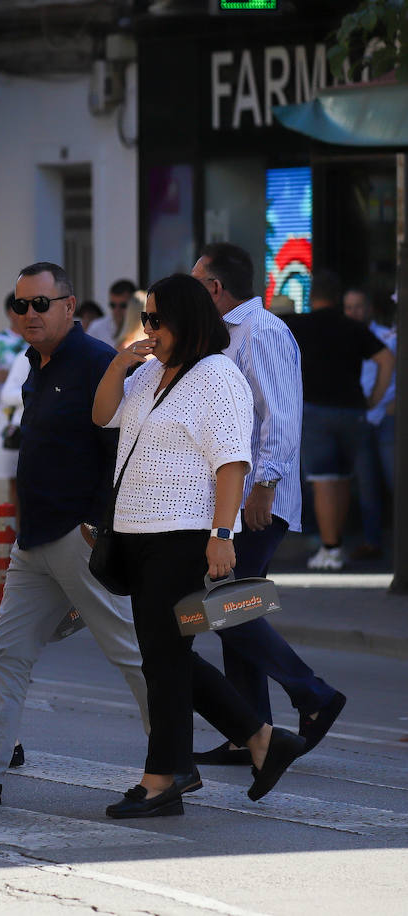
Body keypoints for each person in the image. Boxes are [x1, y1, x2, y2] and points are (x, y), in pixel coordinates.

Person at [91, 274, 304, 818]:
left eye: (158, 319)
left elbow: (232, 462)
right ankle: (260, 737)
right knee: (166, 658)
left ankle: (162, 778)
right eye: (146, 319)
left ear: (189, 319)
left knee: (163, 663)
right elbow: (102, 416)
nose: (151, 329)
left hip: (182, 536)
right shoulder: (149, 375)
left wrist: (222, 534)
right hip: (136, 534)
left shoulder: (218, 376)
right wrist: (120, 362)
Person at [0, 263, 149, 805]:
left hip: (79, 537)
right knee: (6, 650)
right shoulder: (35, 361)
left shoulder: (98, 363)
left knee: (131, 650)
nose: (28, 315)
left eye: (40, 304)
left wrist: (98, 527)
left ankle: (169, 759)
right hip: (36, 540)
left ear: (68, 306)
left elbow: (121, 455)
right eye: (20, 305)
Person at [189, 243, 345, 764]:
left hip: (258, 494)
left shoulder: (263, 331)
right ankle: (250, 732)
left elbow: (279, 415)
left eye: (196, 281)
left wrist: (266, 484)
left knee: (223, 602)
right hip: (229, 496)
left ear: (215, 287)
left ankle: (312, 694)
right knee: (232, 603)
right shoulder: (219, 334)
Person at [284, 273, 393, 570]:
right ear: (337, 298)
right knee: (343, 479)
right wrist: (374, 398)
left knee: (323, 482)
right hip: (352, 411)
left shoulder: (299, 326)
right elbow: (387, 360)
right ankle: (338, 546)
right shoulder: (353, 328)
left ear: (312, 297)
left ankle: (330, 549)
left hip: (316, 410)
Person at [345, 287, 396, 560]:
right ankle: (372, 541)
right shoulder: (342, 337)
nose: (354, 312)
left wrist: (391, 405)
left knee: (395, 480)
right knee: (366, 484)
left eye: (358, 306)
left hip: (386, 416)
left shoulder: (389, 338)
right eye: (349, 307)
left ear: (370, 308)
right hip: (361, 418)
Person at [0, 294, 29, 502]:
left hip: (32, 413)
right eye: (19, 307)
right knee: (14, 481)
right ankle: (15, 534)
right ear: (10, 312)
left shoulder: (36, 339)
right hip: (6, 416)